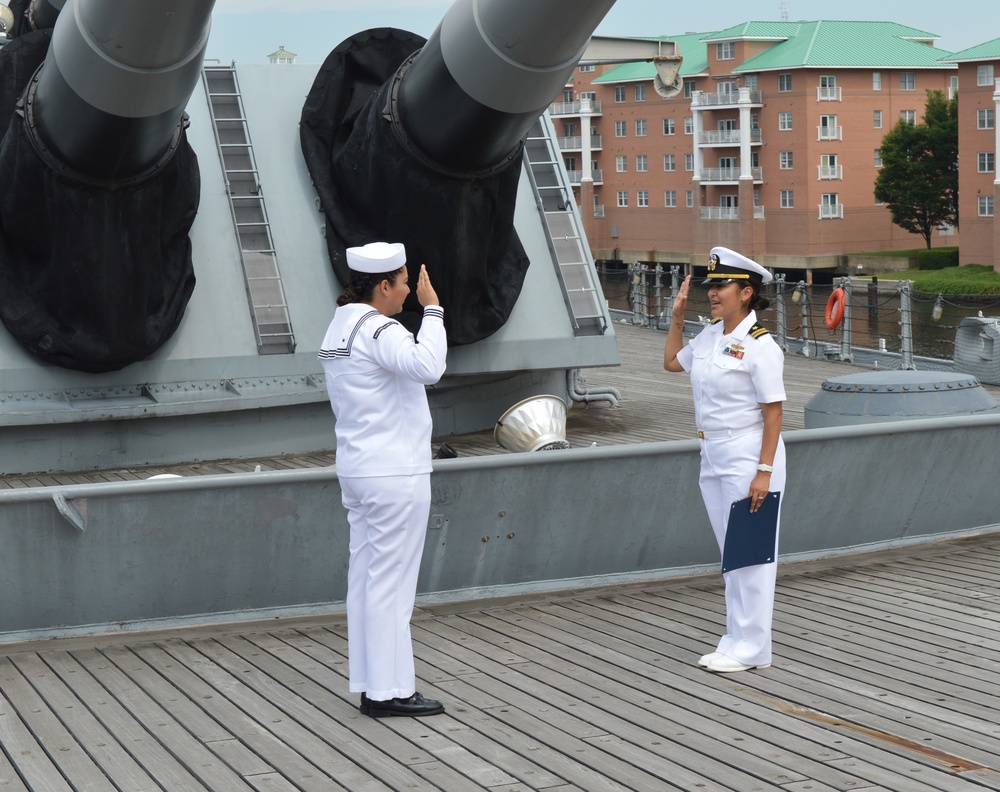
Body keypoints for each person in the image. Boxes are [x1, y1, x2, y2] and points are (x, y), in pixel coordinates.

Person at [318, 241, 448, 717]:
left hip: (358, 469)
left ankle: (375, 686)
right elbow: (428, 367)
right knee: (392, 586)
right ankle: (390, 692)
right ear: (384, 285)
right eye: (405, 282)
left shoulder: (340, 325)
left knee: (368, 582)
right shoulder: (377, 327)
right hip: (395, 472)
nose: (411, 290)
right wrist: (433, 313)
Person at [663, 246, 787, 674]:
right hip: (712, 452)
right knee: (730, 555)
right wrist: (678, 317)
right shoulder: (711, 336)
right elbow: (671, 364)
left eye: (723, 286)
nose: (713, 294)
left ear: (747, 292)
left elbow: (774, 412)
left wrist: (764, 472)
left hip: (749, 454)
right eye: (711, 286)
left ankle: (754, 648)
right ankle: (735, 639)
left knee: (751, 555)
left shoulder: (760, 346)